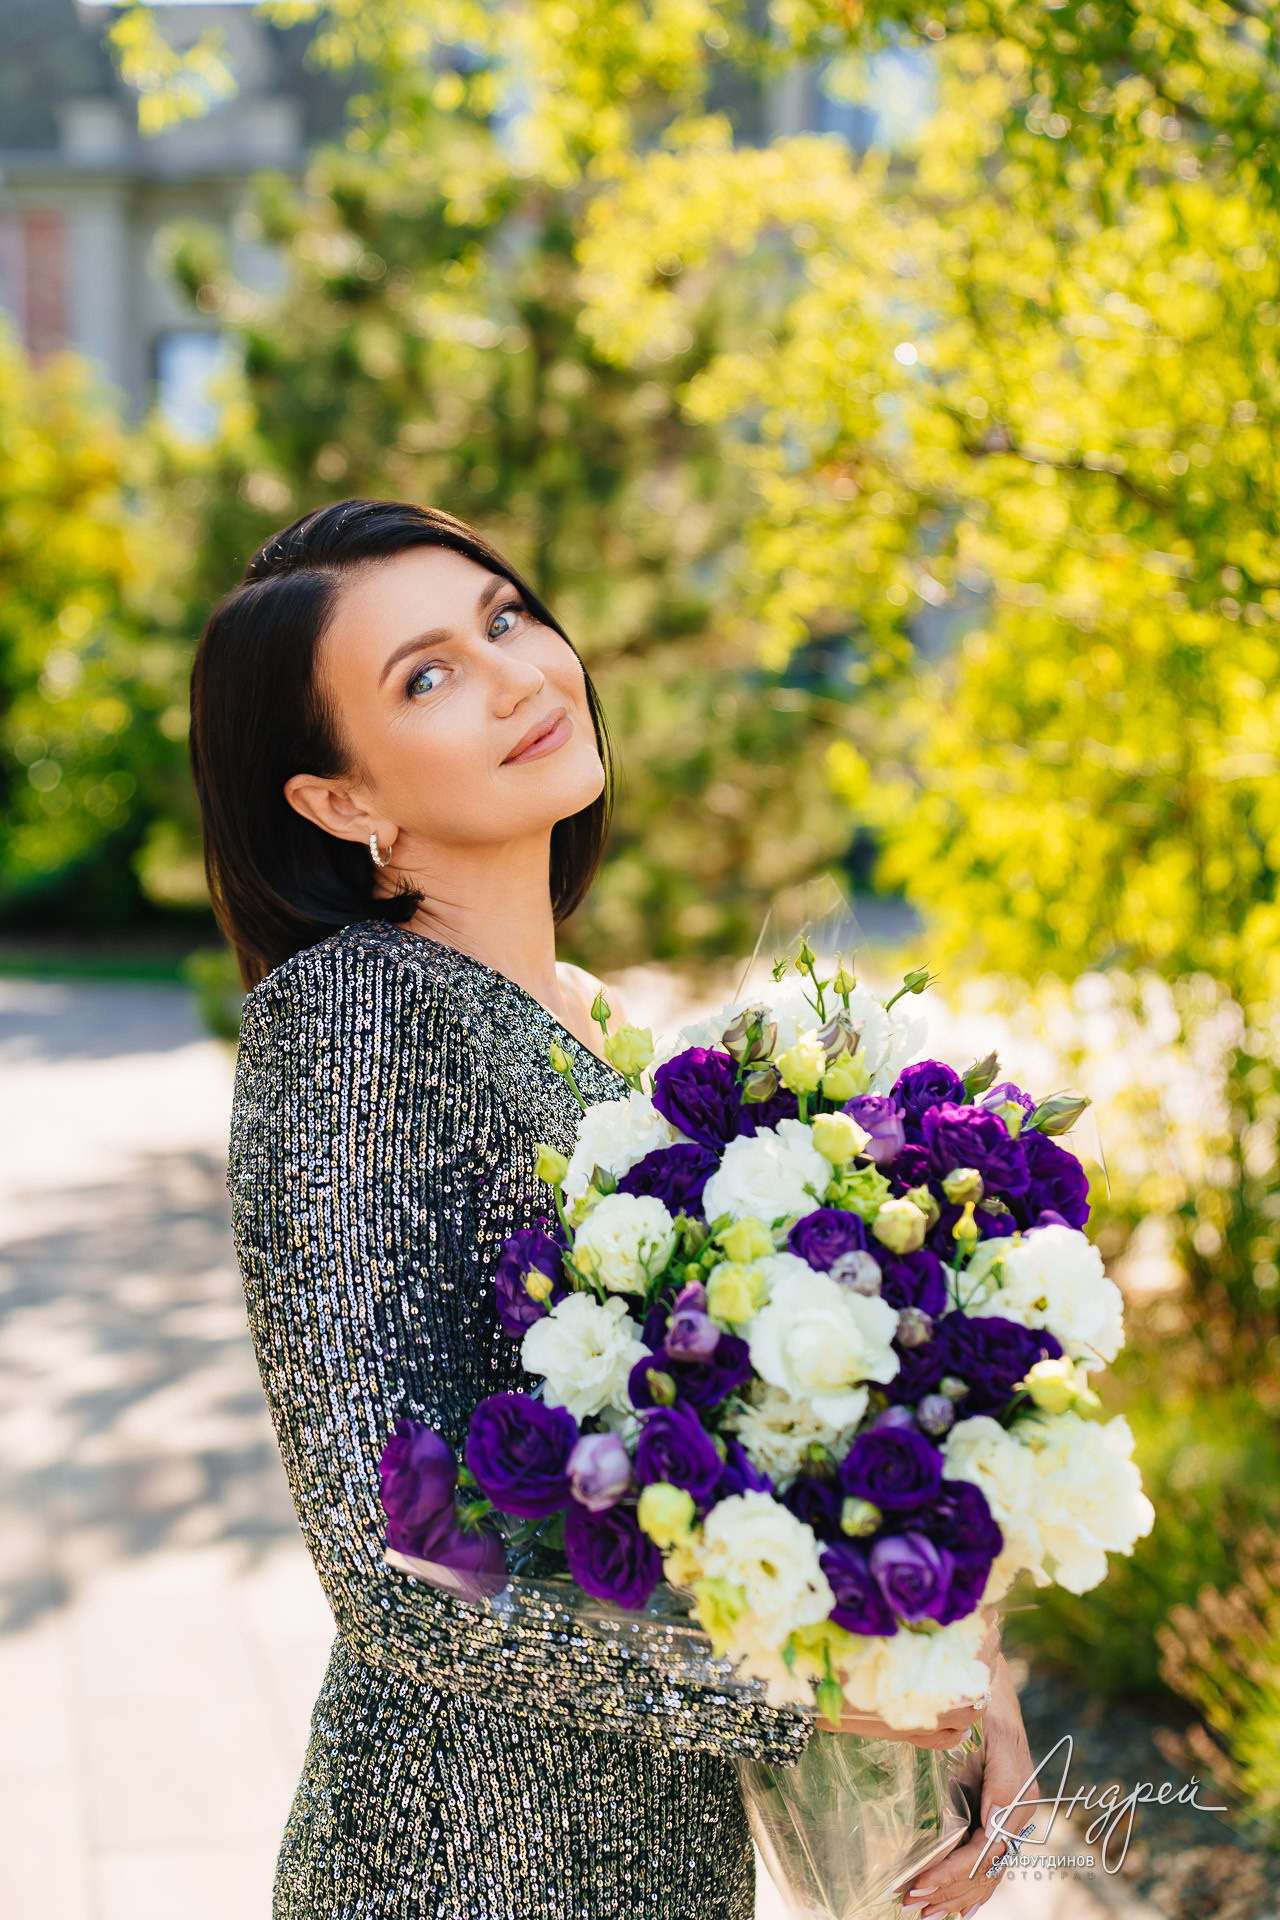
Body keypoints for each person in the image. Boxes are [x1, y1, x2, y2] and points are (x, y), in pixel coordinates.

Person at [190, 499, 1035, 1920]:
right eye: (428, 675)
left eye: (505, 615)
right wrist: (804, 1689)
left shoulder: (603, 1025)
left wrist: (951, 1656)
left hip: (668, 1854)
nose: (518, 672)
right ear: (342, 801)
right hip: (465, 1857)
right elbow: (390, 1556)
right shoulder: (349, 1016)